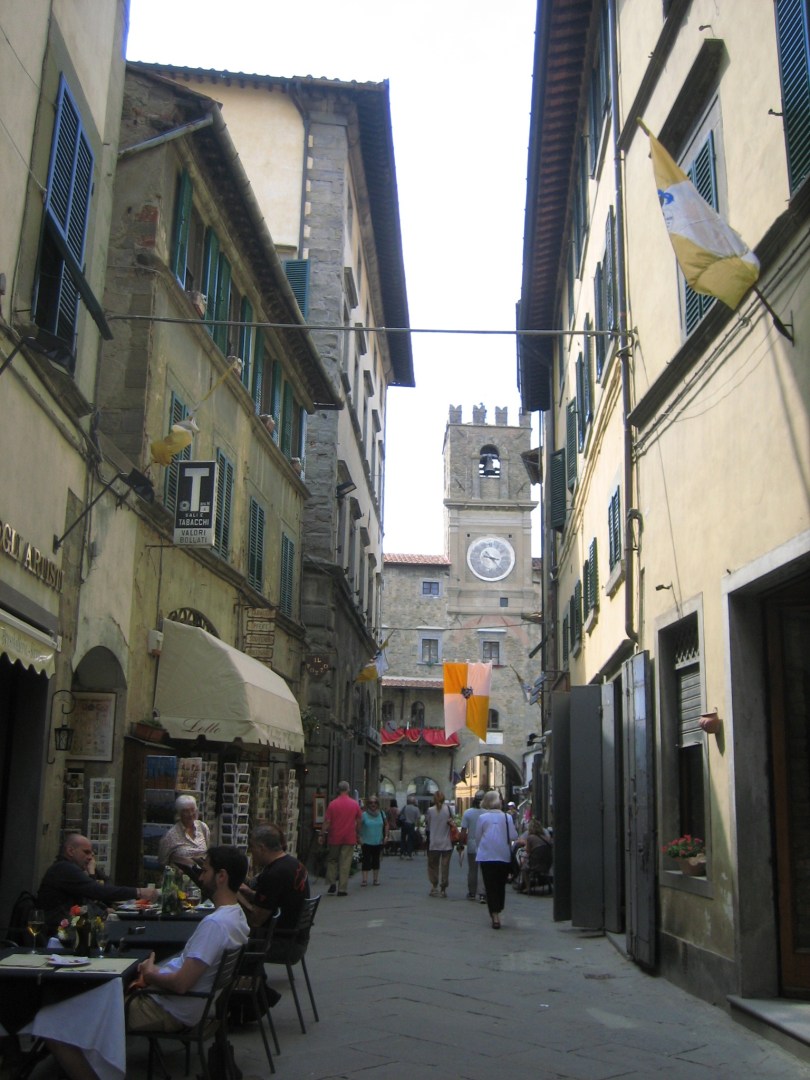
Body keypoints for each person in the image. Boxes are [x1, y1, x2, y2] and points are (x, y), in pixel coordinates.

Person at [43, 845, 249, 1079]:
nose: (200, 877)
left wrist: (150, 973)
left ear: (221, 876)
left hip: (168, 1008)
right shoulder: (236, 917)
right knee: (91, 999)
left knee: (52, 1023)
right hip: (186, 1005)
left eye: (205, 870)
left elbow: (181, 983)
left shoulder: (215, 925)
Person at [37, 834, 159, 935]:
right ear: (70, 851)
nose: (90, 858)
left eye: (92, 854)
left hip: (69, 928)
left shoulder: (69, 869)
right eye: (86, 852)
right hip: (59, 931)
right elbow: (98, 891)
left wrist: (93, 872)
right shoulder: (64, 869)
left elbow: (99, 889)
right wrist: (138, 892)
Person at [239, 823, 309, 930]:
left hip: (280, 934)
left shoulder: (274, 874)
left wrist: (235, 896)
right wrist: (250, 893)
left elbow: (255, 920)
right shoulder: (295, 864)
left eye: (252, 847)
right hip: (296, 931)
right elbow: (275, 898)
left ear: (261, 848)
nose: (251, 852)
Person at [475, 791, 518, 929]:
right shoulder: (507, 817)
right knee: (500, 885)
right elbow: (513, 835)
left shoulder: (482, 817)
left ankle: (494, 913)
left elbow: (478, 837)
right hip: (503, 855)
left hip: (486, 855)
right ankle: (497, 911)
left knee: (490, 885)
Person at [320, 780, 362, 895]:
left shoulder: (333, 804)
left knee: (332, 860)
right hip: (349, 837)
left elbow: (327, 821)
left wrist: (322, 834)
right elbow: (359, 821)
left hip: (334, 836)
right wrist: (358, 834)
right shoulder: (354, 804)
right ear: (348, 789)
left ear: (338, 790)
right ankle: (342, 889)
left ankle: (332, 883)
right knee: (345, 862)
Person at [157, 794, 211, 872]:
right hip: (181, 877)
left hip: (202, 875)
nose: (190, 814)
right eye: (186, 811)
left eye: (192, 810)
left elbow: (207, 851)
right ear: (179, 813)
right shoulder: (170, 835)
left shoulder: (203, 827)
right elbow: (162, 862)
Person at [425, 790, 454, 898]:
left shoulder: (430, 810)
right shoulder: (448, 810)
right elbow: (452, 822)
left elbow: (428, 826)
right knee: (445, 867)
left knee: (433, 866)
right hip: (446, 843)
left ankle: (434, 886)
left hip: (434, 842)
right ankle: (443, 889)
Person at [459, 790, 486, 902]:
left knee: (472, 870)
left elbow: (463, 831)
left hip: (471, 844)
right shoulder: (487, 813)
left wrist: (461, 844)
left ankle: (472, 893)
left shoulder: (468, 813)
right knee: (483, 871)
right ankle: (482, 894)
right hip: (484, 845)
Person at [513, 819, 554, 892]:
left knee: (524, 866)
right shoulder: (547, 838)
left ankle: (527, 887)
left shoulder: (530, 838)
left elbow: (528, 851)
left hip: (534, 864)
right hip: (547, 864)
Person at [358, 796, 388, 886]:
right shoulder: (364, 815)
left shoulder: (382, 813)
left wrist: (386, 836)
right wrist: (359, 837)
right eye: (371, 803)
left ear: (378, 804)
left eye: (375, 803)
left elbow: (386, 824)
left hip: (378, 841)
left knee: (376, 860)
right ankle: (364, 880)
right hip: (366, 841)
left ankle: (375, 879)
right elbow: (358, 826)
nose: (373, 804)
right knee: (366, 860)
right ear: (368, 804)